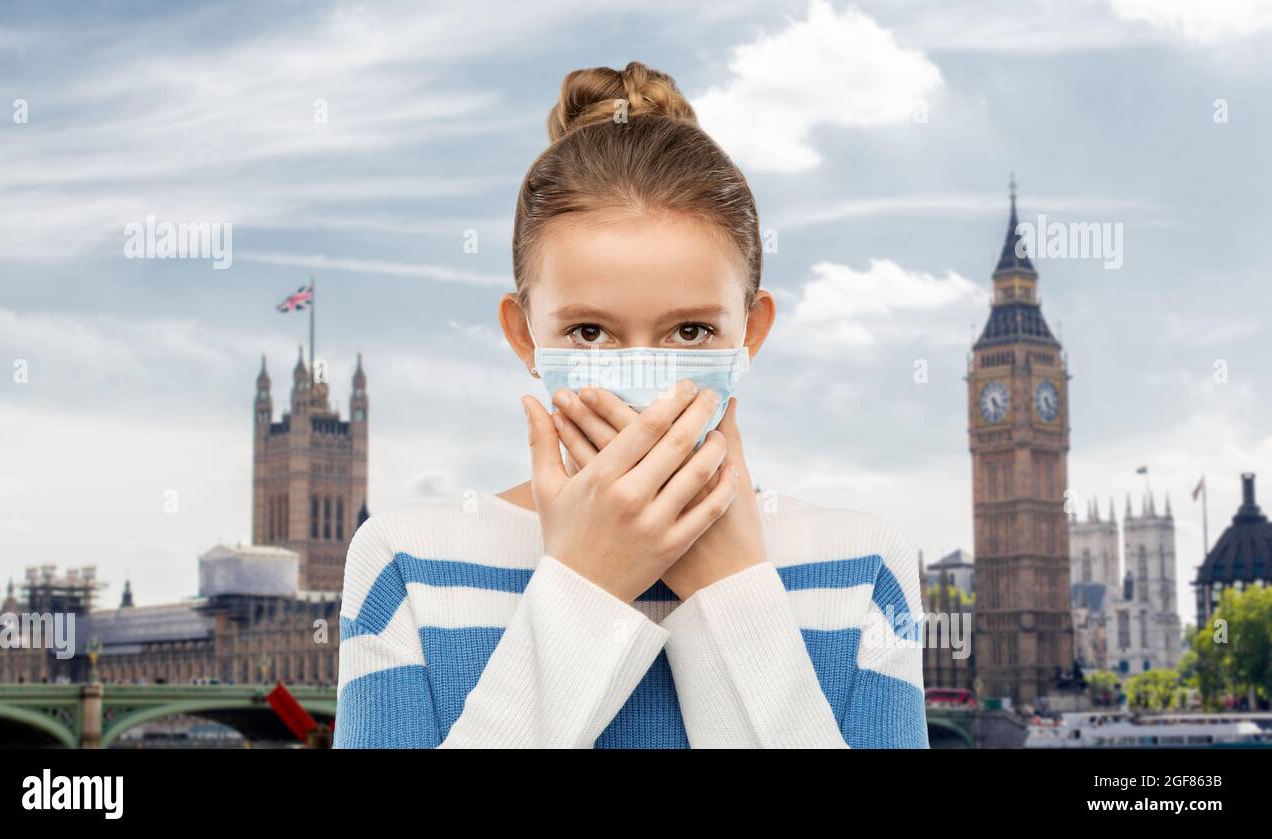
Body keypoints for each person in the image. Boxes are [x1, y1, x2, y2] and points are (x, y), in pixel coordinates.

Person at [333, 61, 929, 748]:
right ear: (524, 334)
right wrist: (584, 584)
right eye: (590, 331)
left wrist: (733, 596)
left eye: (690, 330)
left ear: (751, 332)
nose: (641, 377)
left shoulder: (864, 568)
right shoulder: (406, 564)